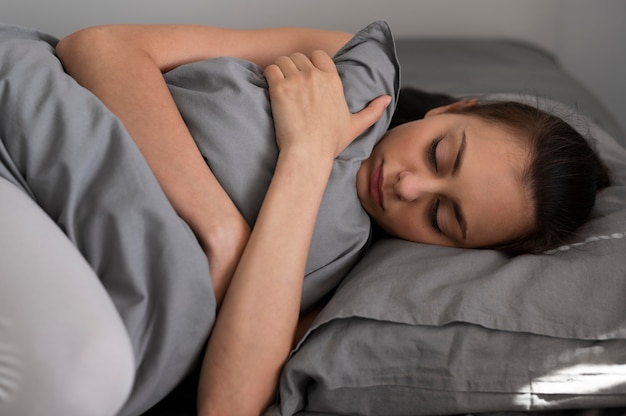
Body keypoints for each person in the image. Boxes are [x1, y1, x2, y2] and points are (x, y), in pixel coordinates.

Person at [53, 23, 609, 416]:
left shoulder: (339, 275)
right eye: (440, 154)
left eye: (441, 217)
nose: (407, 185)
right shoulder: (345, 65)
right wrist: (220, 228)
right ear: (454, 108)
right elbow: (99, 46)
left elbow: (227, 405)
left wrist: (307, 155)